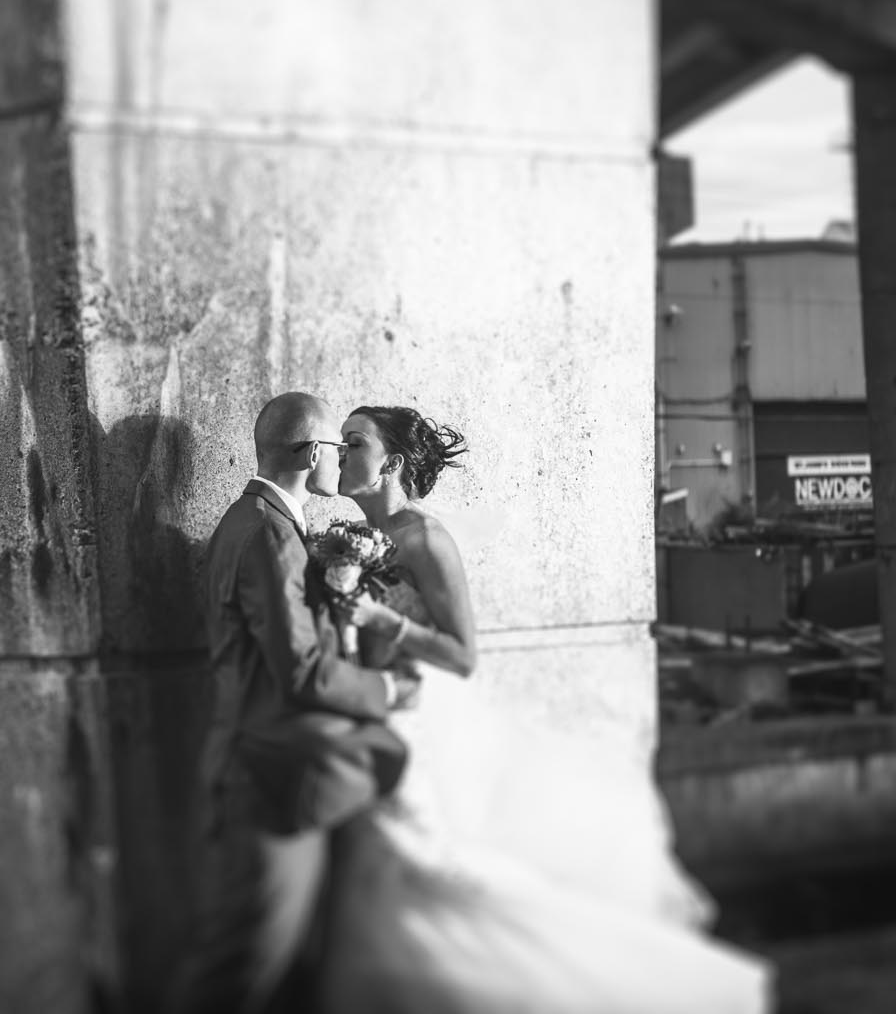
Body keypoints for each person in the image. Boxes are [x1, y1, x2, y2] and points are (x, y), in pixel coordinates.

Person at [319, 404, 773, 1013]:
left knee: (423, 866)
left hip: (415, 721)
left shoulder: (425, 538)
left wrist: (382, 620)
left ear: (391, 463)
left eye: (352, 443)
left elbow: (462, 654)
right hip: (375, 712)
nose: (340, 453)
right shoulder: (357, 541)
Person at [168, 391, 423, 1014]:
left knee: (277, 966)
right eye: (337, 447)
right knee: (242, 966)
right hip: (267, 778)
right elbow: (303, 671)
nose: (341, 458)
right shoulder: (269, 536)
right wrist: (390, 690)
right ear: (312, 454)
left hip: (271, 765)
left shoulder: (259, 523)